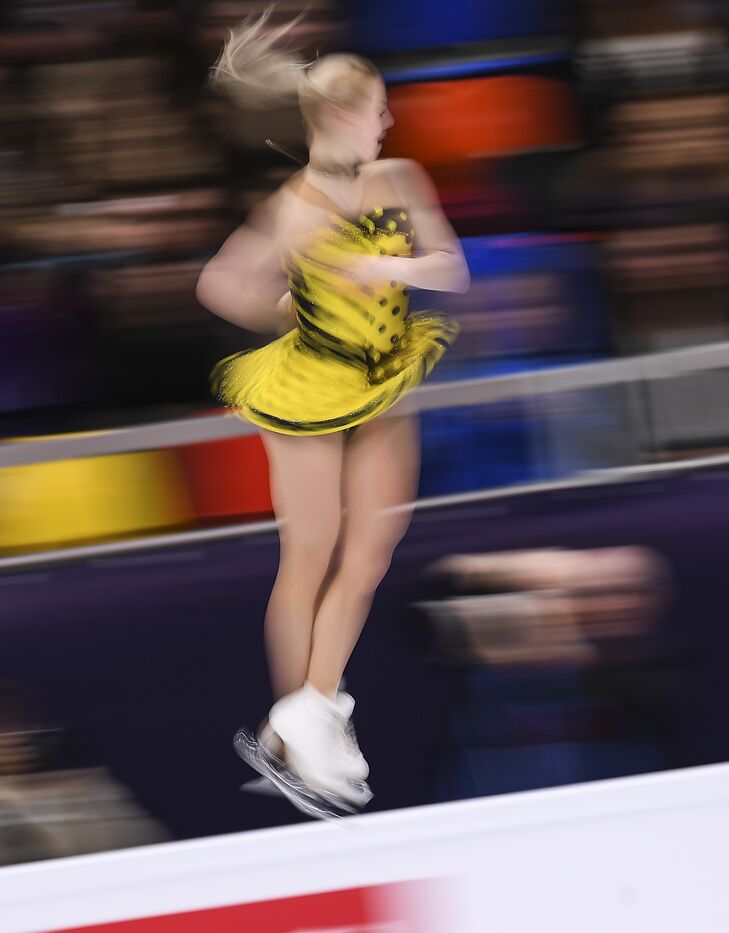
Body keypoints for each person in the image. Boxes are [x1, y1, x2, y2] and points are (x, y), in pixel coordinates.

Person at [195, 8, 470, 818]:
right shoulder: (290, 208)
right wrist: (287, 310)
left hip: (384, 374)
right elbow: (221, 283)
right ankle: (302, 715)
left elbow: (452, 271)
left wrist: (378, 267)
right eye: (379, 110)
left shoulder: (399, 180)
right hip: (312, 387)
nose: (388, 124)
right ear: (344, 116)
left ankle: (309, 713)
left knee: (372, 549)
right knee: (309, 553)